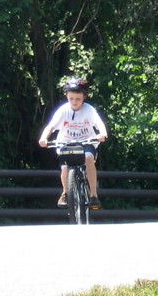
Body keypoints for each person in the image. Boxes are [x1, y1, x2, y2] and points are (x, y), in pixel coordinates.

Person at [38, 78, 108, 210]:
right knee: (64, 167)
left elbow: (99, 123)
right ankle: (66, 192)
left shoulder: (89, 110)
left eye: (78, 99)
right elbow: (51, 126)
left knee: (88, 158)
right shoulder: (63, 110)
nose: (74, 102)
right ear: (67, 97)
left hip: (86, 141)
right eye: (71, 99)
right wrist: (43, 138)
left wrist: (102, 134)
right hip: (66, 142)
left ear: (84, 98)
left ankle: (93, 194)